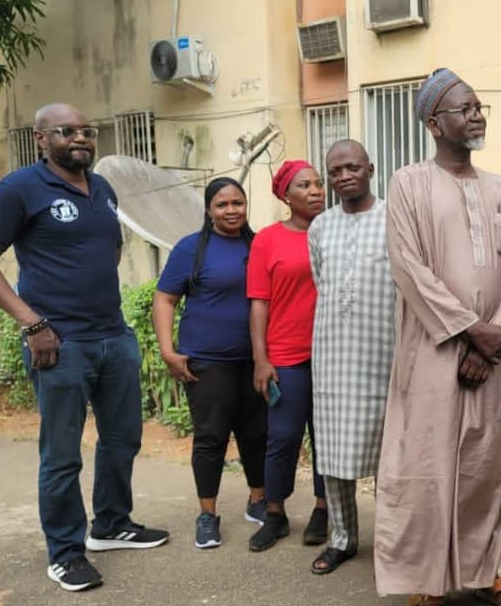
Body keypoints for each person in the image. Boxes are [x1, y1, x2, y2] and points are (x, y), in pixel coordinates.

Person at [0, 103, 169, 592]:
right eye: (66, 131)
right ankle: (65, 551)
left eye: (87, 130)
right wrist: (34, 324)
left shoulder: (101, 187)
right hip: (60, 343)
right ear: (40, 139)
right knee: (62, 455)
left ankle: (111, 524)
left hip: (113, 335)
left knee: (123, 439)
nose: (80, 137)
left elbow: (111, 246)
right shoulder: (20, 189)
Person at [375, 68, 501, 606]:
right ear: (433, 122)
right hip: (434, 351)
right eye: (464, 108)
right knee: (427, 467)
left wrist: (496, 339)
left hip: (493, 356)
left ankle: (482, 572)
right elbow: (409, 268)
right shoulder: (408, 184)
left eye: (478, 106)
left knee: (485, 466)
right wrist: (470, 329)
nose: (476, 115)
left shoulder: (500, 190)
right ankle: (426, 583)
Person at [152, 178, 267, 549]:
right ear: (208, 210)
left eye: (238, 203)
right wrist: (168, 351)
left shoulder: (258, 245)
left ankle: (258, 501)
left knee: (256, 434)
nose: (231, 210)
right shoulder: (190, 249)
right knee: (210, 438)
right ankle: (207, 514)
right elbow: (165, 299)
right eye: (222, 205)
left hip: (254, 360)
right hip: (207, 361)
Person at [306, 140, 395, 575]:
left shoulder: (395, 217)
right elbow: (323, 280)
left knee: (390, 456)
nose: (343, 176)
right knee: (334, 453)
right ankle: (342, 539)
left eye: (352, 167)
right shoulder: (320, 226)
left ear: (370, 169)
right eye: (335, 170)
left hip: (385, 355)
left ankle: (393, 542)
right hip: (333, 355)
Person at [246, 160, 327, 552]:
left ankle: (325, 509)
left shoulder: (335, 230)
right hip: (286, 354)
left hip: (332, 354)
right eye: (304, 185)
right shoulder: (268, 239)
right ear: (286, 195)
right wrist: (261, 359)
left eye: (318, 183)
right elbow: (259, 302)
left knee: (328, 437)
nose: (315, 191)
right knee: (283, 436)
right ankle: (274, 512)